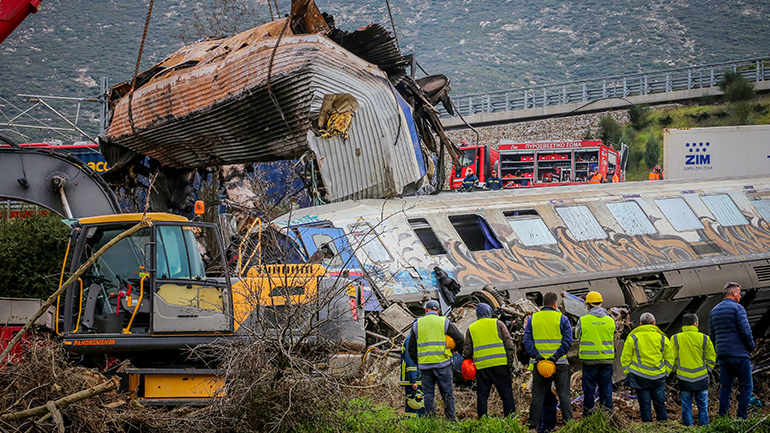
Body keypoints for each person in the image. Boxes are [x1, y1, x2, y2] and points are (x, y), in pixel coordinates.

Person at [524, 292, 573, 429]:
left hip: (539, 365)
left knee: (537, 396)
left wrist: (537, 356)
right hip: (559, 364)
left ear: (543, 303)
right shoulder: (562, 318)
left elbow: (527, 340)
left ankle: (533, 426)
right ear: (555, 304)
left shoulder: (533, 319)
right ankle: (569, 425)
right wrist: (555, 357)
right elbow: (567, 341)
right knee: (563, 395)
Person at [408, 300, 464, 420]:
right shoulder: (444, 322)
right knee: (448, 394)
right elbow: (460, 339)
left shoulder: (417, 324)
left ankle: (431, 420)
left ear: (426, 310)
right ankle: (451, 420)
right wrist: (454, 352)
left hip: (425, 366)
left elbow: (411, 349)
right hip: (443, 364)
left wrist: (419, 362)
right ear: (438, 311)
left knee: (428, 395)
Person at [709, 282, 755, 419]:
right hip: (739, 354)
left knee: (726, 387)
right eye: (739, 293)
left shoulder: (714, 311)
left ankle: (723, 417)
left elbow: (712, 336)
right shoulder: (738, 309)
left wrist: (719, 351)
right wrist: (751, 347)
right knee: (746, 386)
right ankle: (741, 418)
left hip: (723, 355)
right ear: (734, 293)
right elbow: (746, 332)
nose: (740, 296)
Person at [462, 303, 516, 418]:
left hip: (482, 367)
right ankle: (511, 419)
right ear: (489, 312)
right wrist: (510, 364)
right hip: (500, 365)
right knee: (506, 395)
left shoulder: (471, 328)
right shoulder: (498, 324)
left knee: (482, 396)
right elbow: (509, 345)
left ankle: (482, 420)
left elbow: (467, 351)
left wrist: (468, 362)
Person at [620, 312, 675, 423]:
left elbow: (625, 358)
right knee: (660, 403)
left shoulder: (633, 338)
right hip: (658, 376)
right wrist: (666, 372)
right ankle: (663, 425)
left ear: (640, 324)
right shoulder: (662, 338)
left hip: (639, 377)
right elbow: (670, 358)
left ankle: (647, 426)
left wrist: (629, 373)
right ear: (653, 323)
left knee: (644, 405)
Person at [575, 291, 615, 416]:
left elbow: (577, 335)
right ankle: (607, 416)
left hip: (589, 360)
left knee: (589, 390)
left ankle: (589, 416)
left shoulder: (584, 320)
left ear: (588, 306)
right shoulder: (610, 320)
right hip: (606, 359)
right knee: (606, 389)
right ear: (601, 304)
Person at [672, 313, 716, 426]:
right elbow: (711, 357)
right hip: (701, 378)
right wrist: (708, 370)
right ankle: (704, 428)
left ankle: (688, 429)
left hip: (683, 378)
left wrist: (675, 370)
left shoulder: (675, 338)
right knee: (703, 407)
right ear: (695, 323)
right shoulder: (704, 338)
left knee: (686, 407)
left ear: (683, 325)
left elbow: (671, 358)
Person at [401, 333, 425, 418]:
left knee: (420, 405)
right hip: (413, 380)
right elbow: (410, 361)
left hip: (418, 378)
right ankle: (411, 425)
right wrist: (413, 380)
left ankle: (421, 425)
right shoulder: (411, 340)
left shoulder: (416, 338)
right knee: (413, 405)